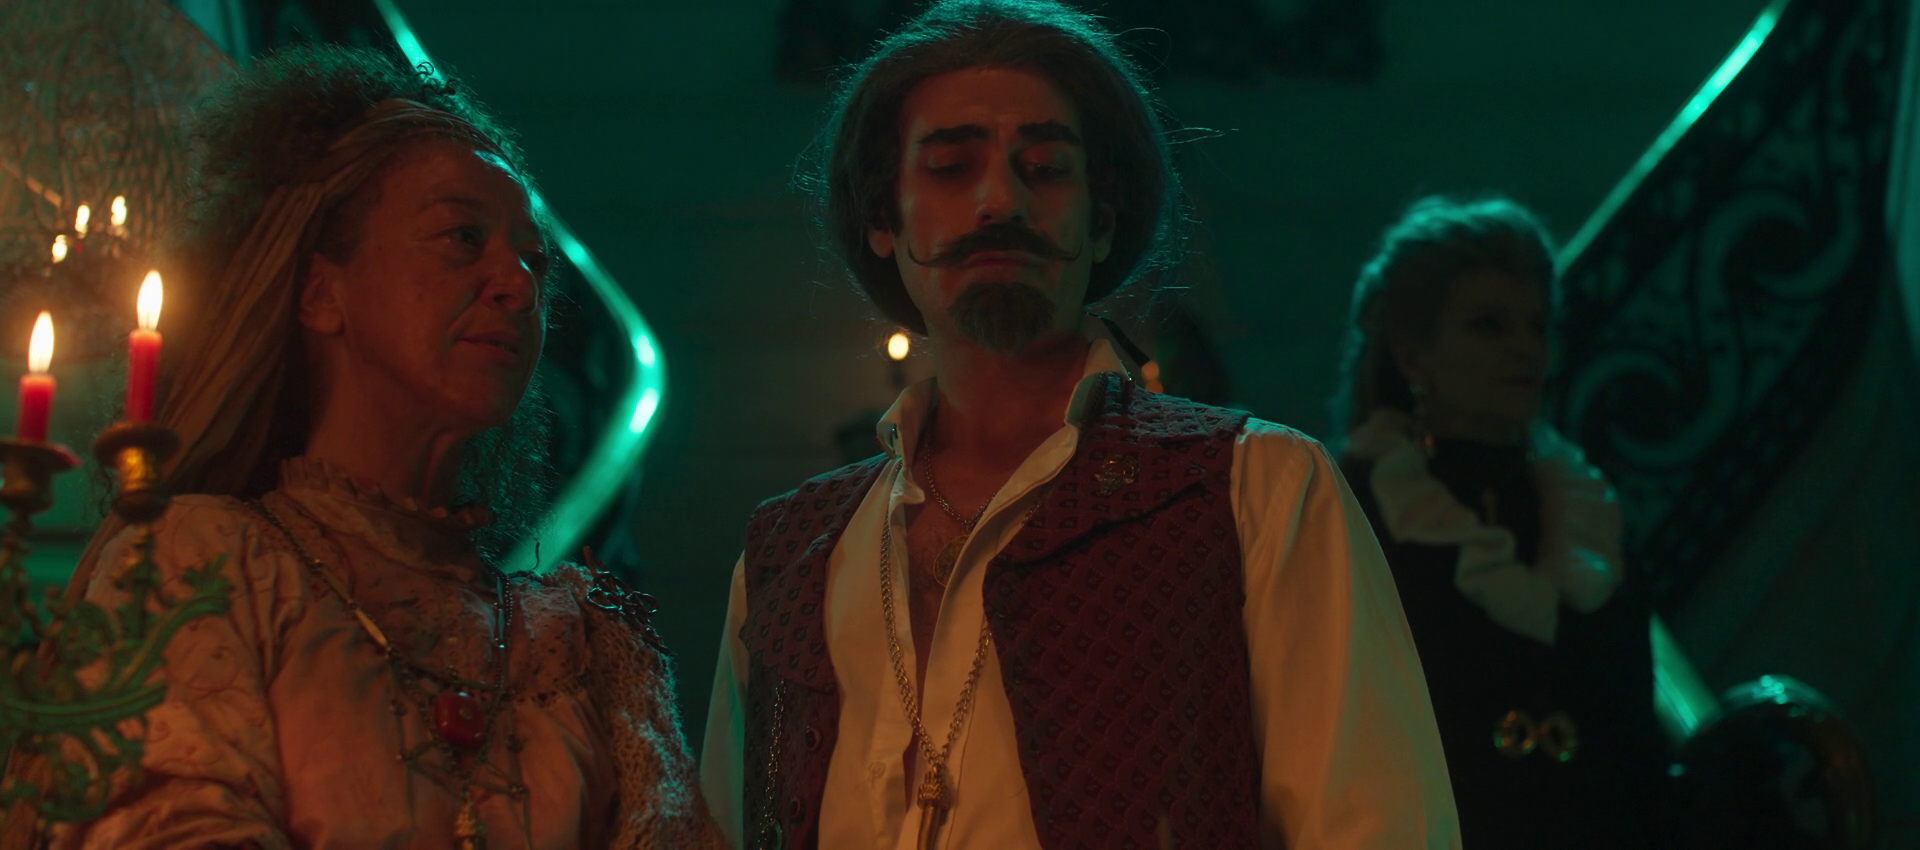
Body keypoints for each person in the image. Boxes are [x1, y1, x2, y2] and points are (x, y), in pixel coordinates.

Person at [700, 2, 1460, 848]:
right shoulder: (787, 556)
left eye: (1046, 168)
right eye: (950, 167)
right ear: (885, 219)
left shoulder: (1254, 489)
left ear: (1101, 219)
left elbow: (1376, 826)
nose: (999, 200)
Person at [40, 45, 720, 848]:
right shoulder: (203, 565)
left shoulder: (587, 647)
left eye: (533, 260)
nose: (520, 284)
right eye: (462, 238)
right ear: (320, 293)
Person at [1330, 195, 1668, 850]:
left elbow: (1632, 724)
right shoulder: (1364, 503)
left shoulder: (1583, 504)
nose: (1525, 349)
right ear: (1414, 356)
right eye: (1489, 326)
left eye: (1536, 327)